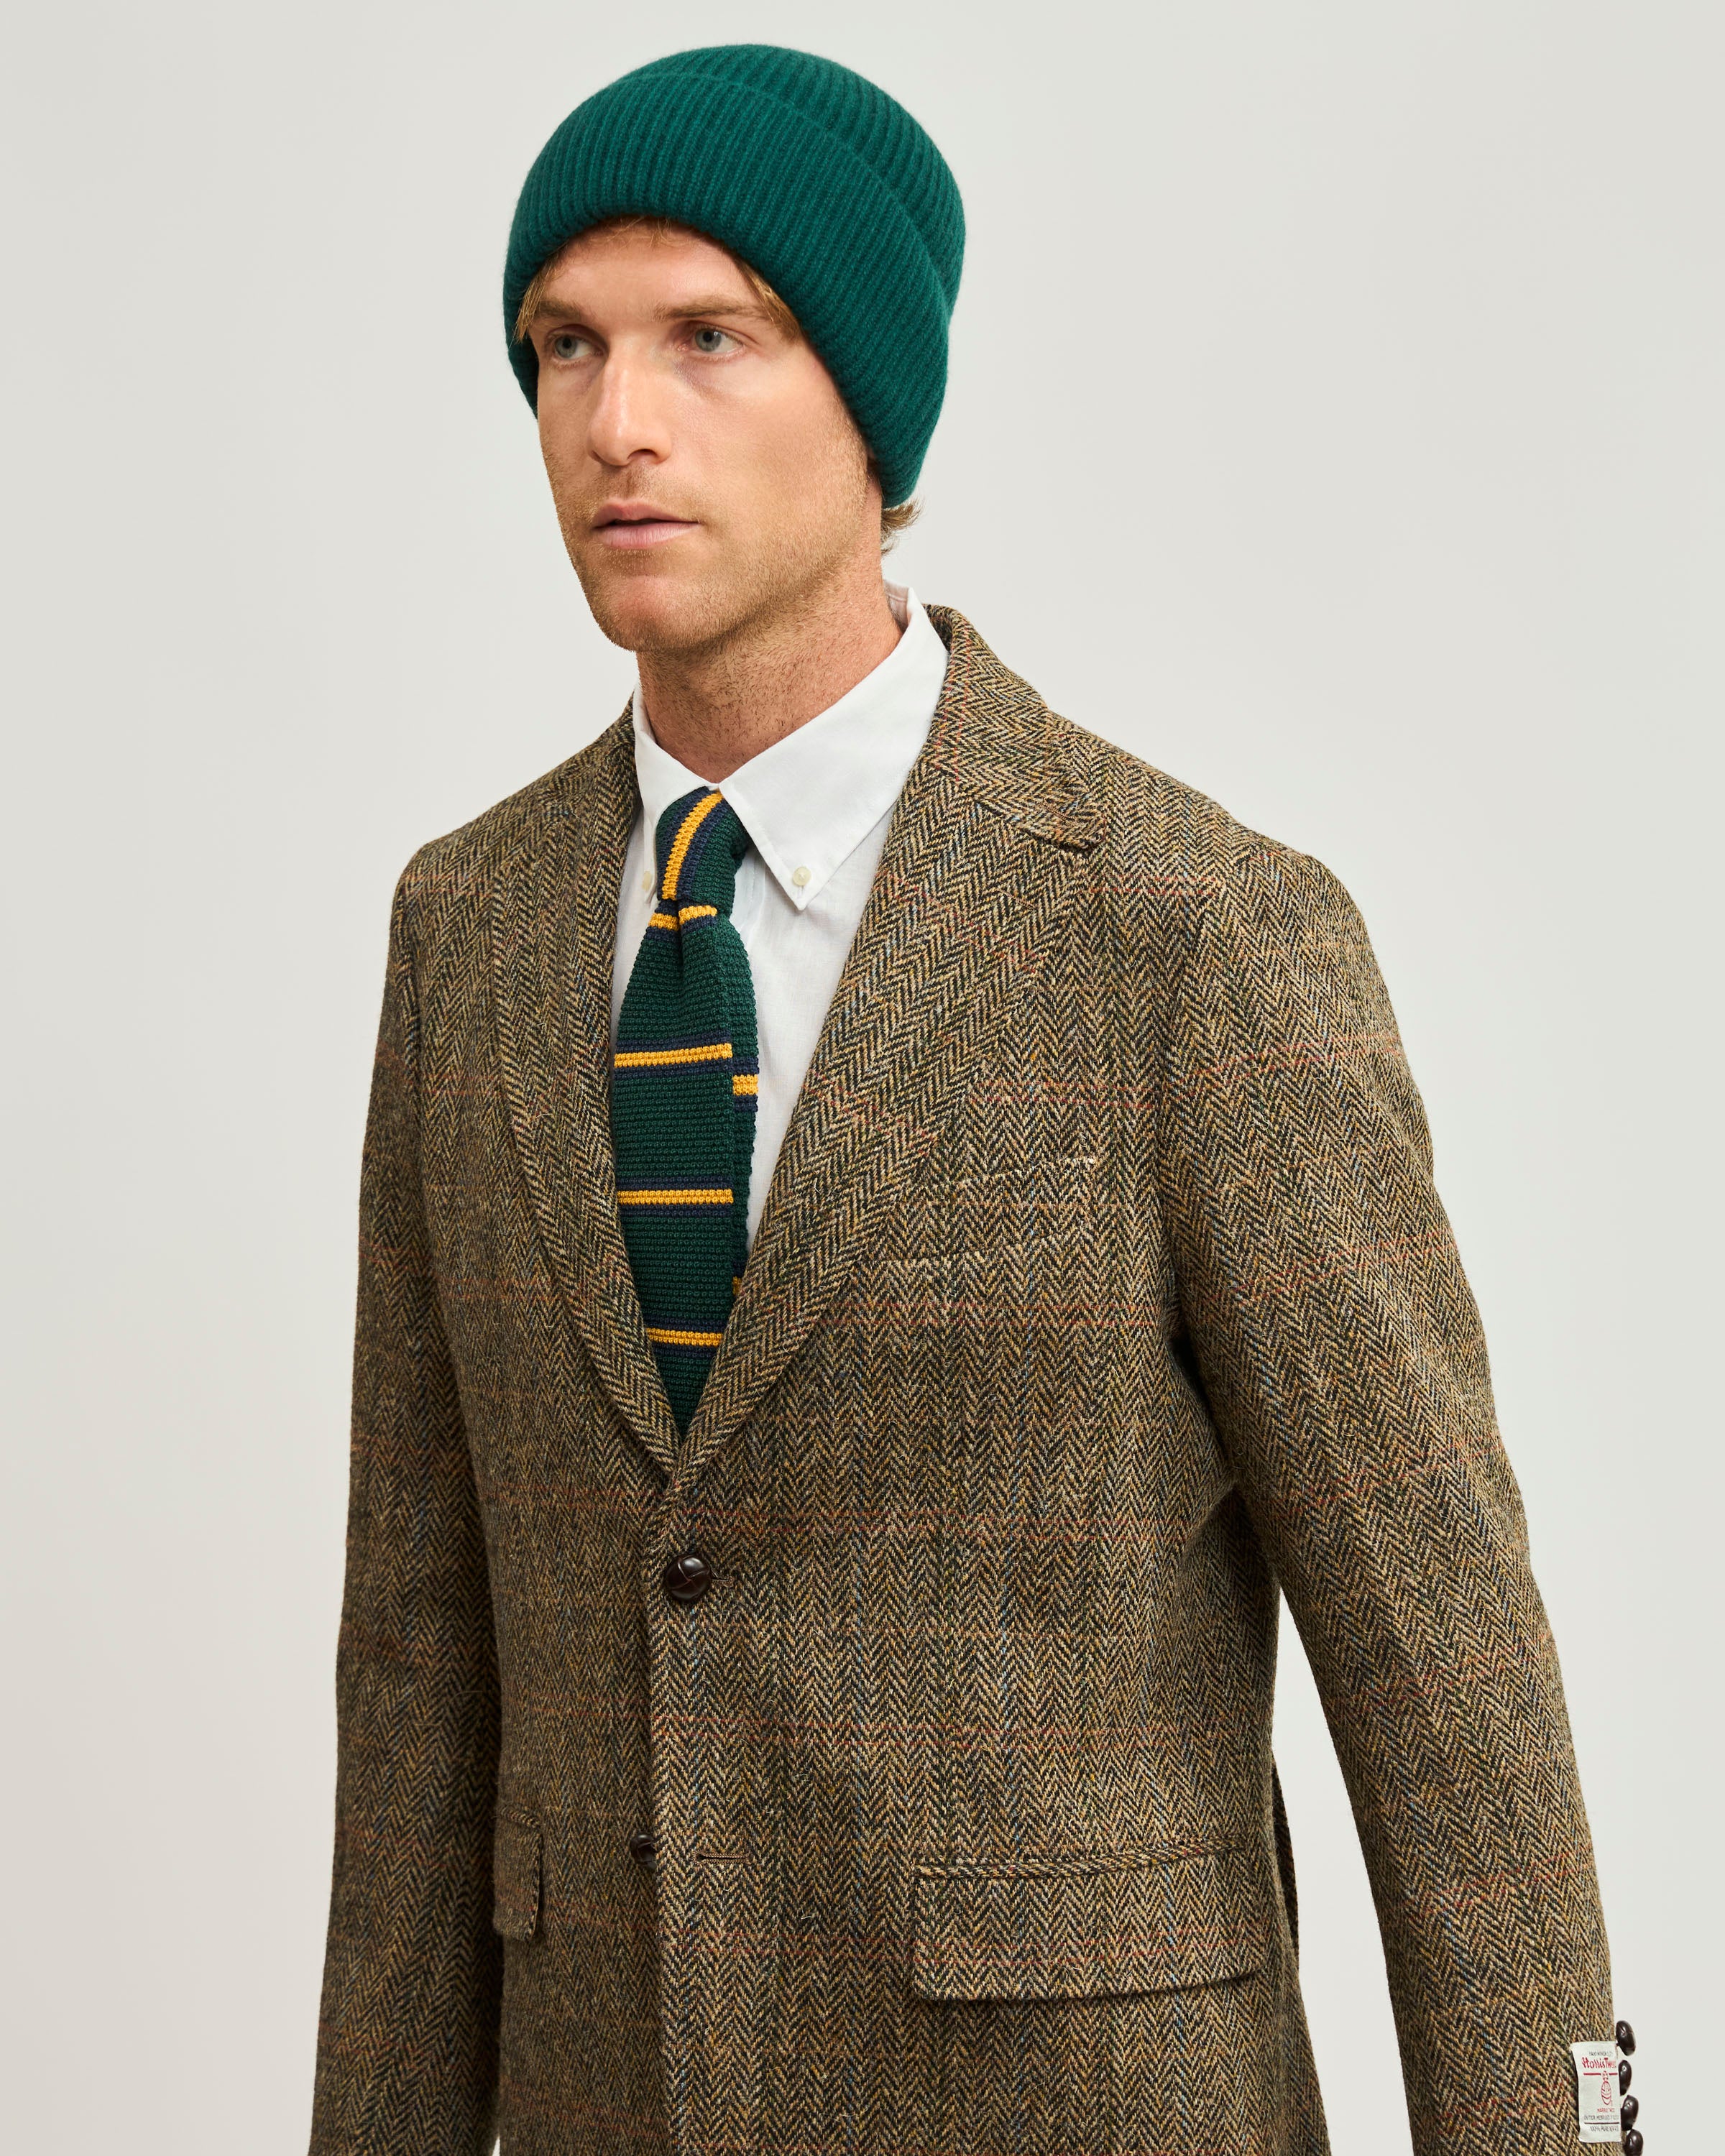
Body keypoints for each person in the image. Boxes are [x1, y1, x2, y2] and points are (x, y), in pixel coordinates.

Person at [308, 43, 1629, 2156]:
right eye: (563, 345)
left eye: (708, 336)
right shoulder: (465, 933)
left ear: (875, 404)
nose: (616, 420)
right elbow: (419, 1674)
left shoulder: (1191, 933)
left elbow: (1443, 1667)